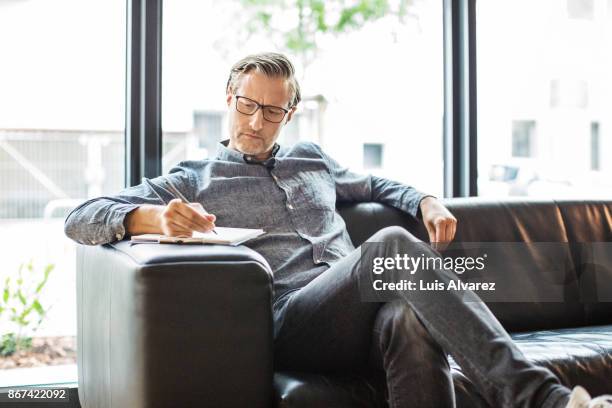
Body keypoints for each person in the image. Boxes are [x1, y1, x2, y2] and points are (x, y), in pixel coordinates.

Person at [64, 52, 611, 408]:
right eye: (248, 106)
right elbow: (79, 217)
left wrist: (422, 198)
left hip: (364, 318)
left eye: (273, 111)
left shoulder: (312, 160)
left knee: (408, 321)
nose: (257, 122)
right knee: (392, 246)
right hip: (295, 323)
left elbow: (373, 186)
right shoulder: (194, 178)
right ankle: (544, 401)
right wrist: (145, 216)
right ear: (230, 98)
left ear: (291, 112)